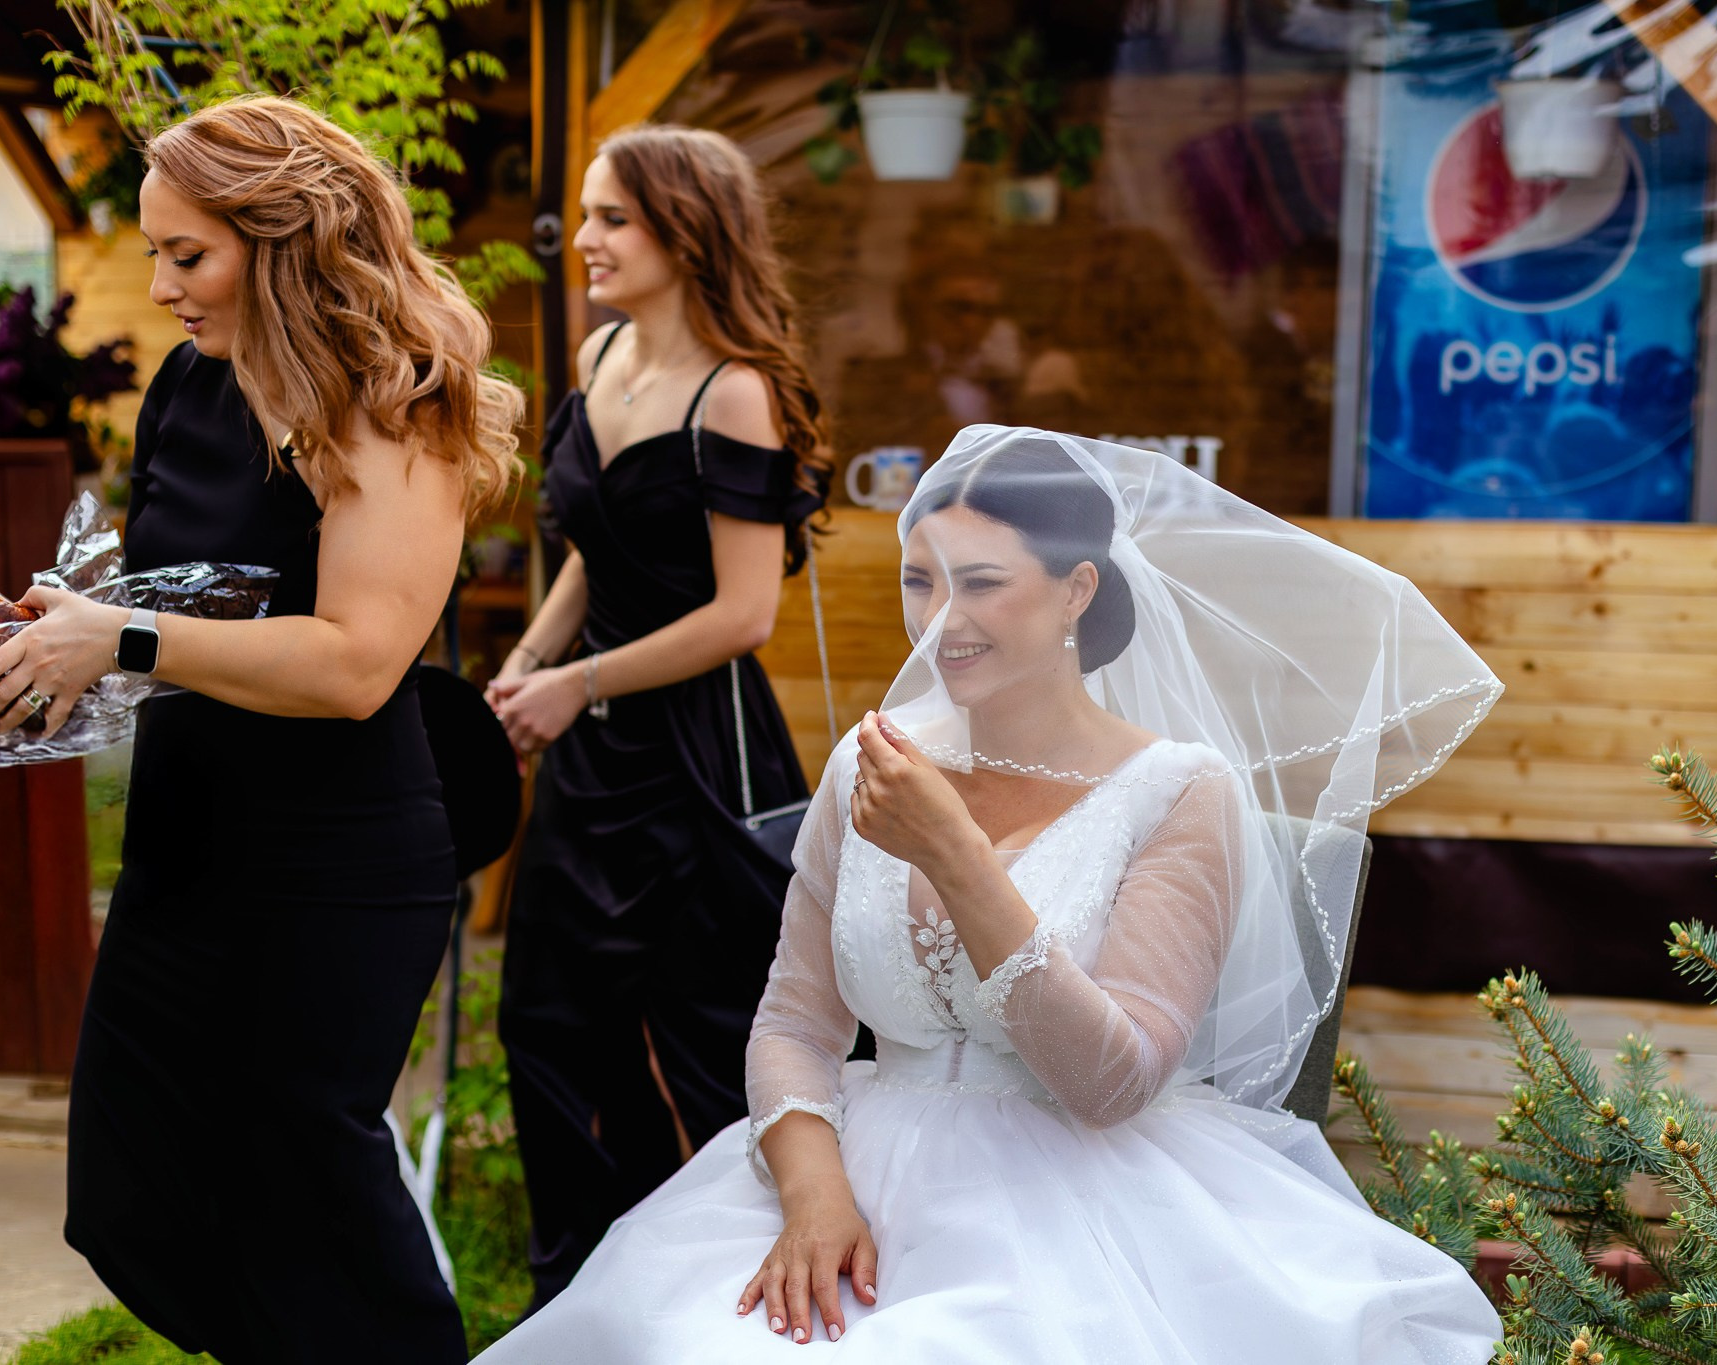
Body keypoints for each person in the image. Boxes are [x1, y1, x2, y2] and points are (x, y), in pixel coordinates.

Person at [477, 426, 1506, 1362]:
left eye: (980, 583)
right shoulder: (871, 760)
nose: (942, 620)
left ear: (1076, 591)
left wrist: (956, 859)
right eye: (920, 581)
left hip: (1079, 1206)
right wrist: (813, 1196)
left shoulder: (1177, 792)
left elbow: (1111, 1083)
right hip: (854, 1174)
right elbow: (792, 1022)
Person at [0, 95, 524, 1365]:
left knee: (305, 1206)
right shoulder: (192, 383)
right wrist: (69, 625)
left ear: (286, 241)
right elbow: (172, 597)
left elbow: (359, 665)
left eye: (186, 255)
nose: (159, 286)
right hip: (187, 850)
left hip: (334, 867)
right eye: (154, 251)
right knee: (132, 1197)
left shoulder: (392, 399)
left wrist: (126, 640)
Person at [484, 123, 829, 1311]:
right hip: (589, 762)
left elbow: (741, 616)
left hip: (702, 769)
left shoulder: (736, 394)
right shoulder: (598, 357)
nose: (582, 239)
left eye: (611, 218)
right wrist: (528, 662)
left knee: (704, 1047)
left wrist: (573, 683)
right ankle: (583, 1294)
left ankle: (729, 1303)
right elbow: (592, 552)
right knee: (542, 1025)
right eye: (585, 214)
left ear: (687, 229)